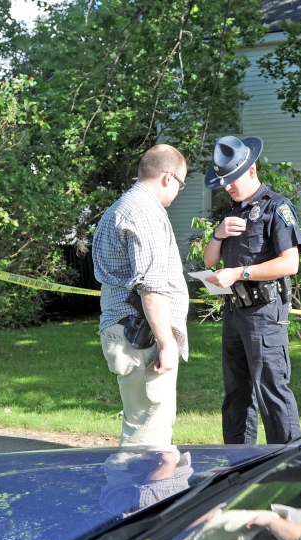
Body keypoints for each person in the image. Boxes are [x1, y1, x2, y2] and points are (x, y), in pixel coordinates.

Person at [202, 135, 301, 445]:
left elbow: (290, 263)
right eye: (223, 181)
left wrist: (240, 272)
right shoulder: (231, 212)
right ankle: (238, 465)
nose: (227, 186)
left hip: (265, 313)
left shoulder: (277, 207)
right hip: (234, 312)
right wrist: (218, 234)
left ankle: (288, 465)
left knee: (272, 390)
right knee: (236, 395)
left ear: (250, 170)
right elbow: (209, 260)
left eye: (232, 179)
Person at [93, 144, 189, 446]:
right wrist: (166, 342)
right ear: (168, 177)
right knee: (149, 443)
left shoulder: (122, 206)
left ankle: (135, 491)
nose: (178, 192)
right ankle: (141, 494)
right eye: (181, 184)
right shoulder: (145, 212)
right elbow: (151, 287)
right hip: (142, 336)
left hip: (126, 330)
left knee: (141, 430)